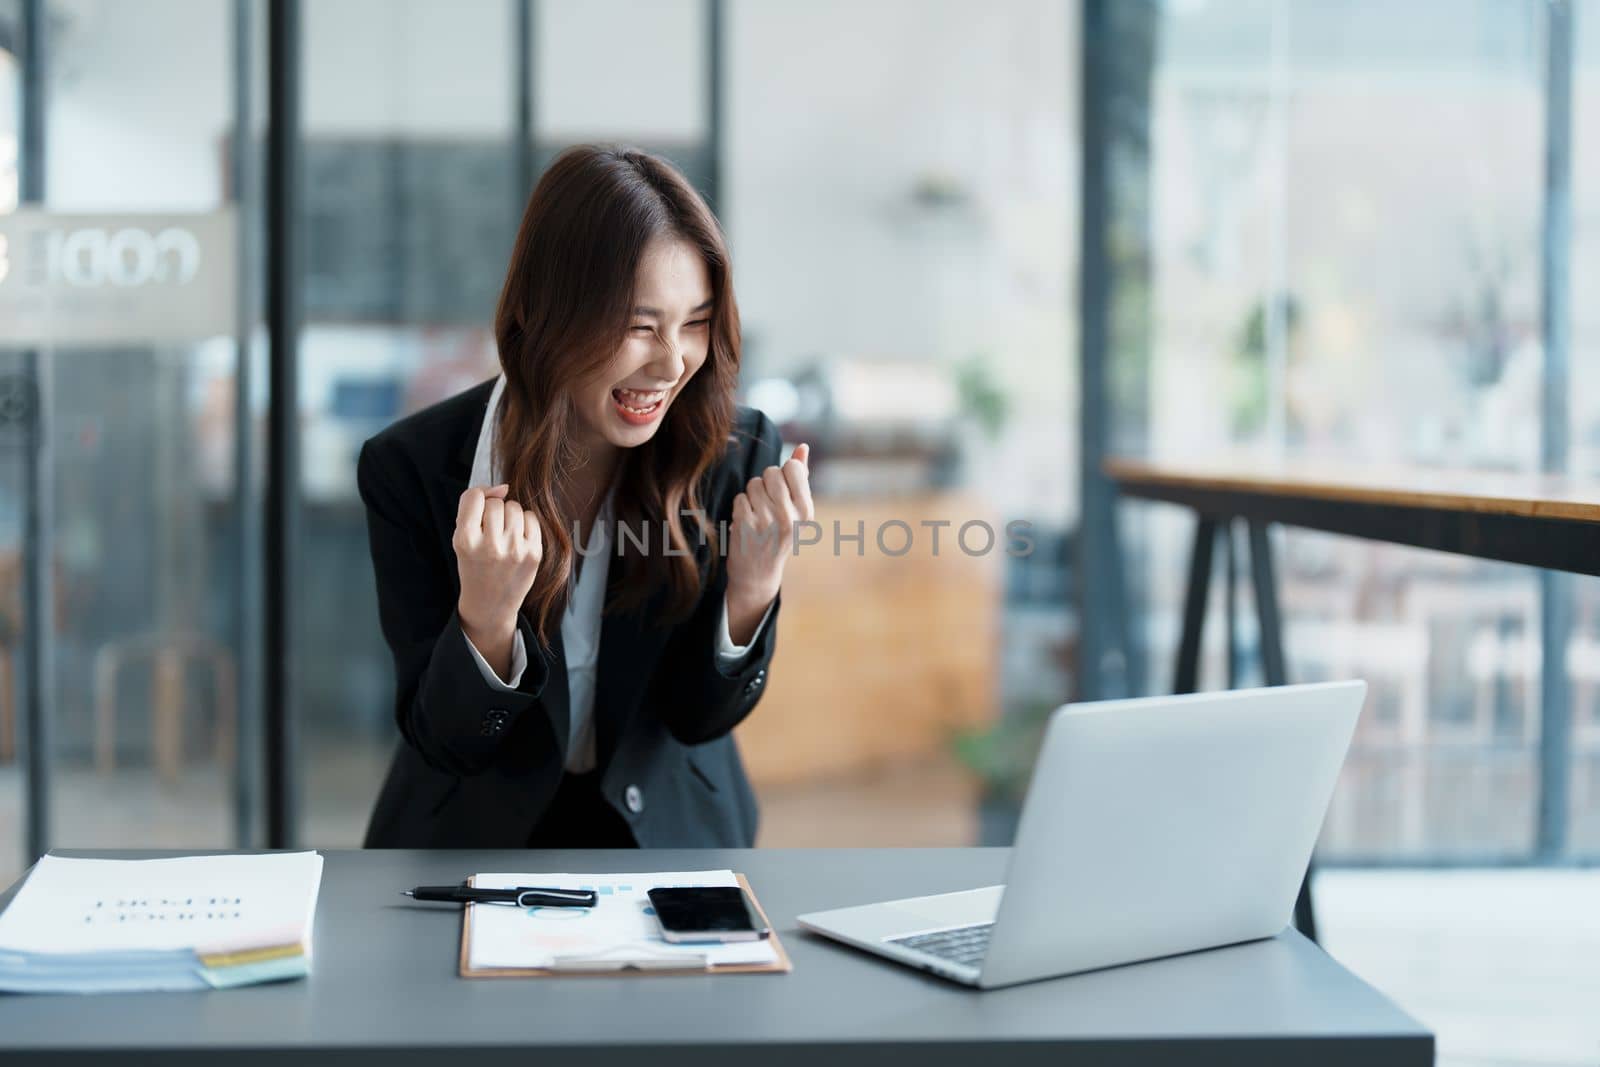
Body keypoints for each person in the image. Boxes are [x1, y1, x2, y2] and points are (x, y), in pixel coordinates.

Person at [358, 145, 812, 849]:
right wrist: (486, 619)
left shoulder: (732, 453)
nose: (670, 363)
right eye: (639, 325)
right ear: (551, 313)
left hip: (671, 834)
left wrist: (752, 590)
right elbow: (445, 742)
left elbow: (699, 718)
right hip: (471, 840)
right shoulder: (412, 468)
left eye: (694, 321)